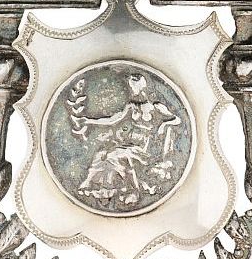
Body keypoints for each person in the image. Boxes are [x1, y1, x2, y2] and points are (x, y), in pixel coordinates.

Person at [72, 73, 181, 209]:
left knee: (112, 155)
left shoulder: (156, 106)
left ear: (141, 86)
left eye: (133, 86)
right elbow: (113, 119)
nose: (131, 89)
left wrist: (163, 125)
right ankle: (98, 186)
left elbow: (177, 120)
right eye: (130, 86)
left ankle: (131, 189)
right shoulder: (131, 105)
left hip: (146, 146)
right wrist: (90, 121)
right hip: (130, 143)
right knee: (102, 155)